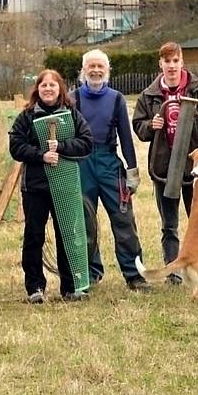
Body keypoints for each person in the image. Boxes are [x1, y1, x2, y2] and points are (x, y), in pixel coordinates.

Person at [132, 41, 198, 284]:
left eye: (175, 61)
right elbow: (139, 127)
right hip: (164, 169)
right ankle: (174, 274)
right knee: (169, 225)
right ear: (160, 64)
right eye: (166, 61)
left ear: (181, 62)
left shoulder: (197, 91)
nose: (171, 66)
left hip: (195, 170)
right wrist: (151, 126)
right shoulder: (149, 96)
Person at [9, 69, 93, 303]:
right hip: (35, 187)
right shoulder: (27, 116)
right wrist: (41, 155)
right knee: (34, 235)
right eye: (43, 85)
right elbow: (16, 146)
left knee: (67, 233)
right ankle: (35, 287)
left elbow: (86, 143)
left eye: (52, 85)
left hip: (65, 185)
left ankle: (71, 286)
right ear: (38, 89)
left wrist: (63, 146)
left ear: (60, 89)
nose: (48, 89)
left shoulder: (72, 114)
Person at [69, 49, 150, 291]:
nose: (95, 71)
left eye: (100, 67)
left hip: (108, 162)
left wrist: (132, 170)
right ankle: (90, 274)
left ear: (108, 71)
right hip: (81, 162)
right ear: (83, 71)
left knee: (123, 219)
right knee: (84, 221)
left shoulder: (116, 99)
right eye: (91, 66)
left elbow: (126, 137)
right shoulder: (73, 99)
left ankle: (134, 275)